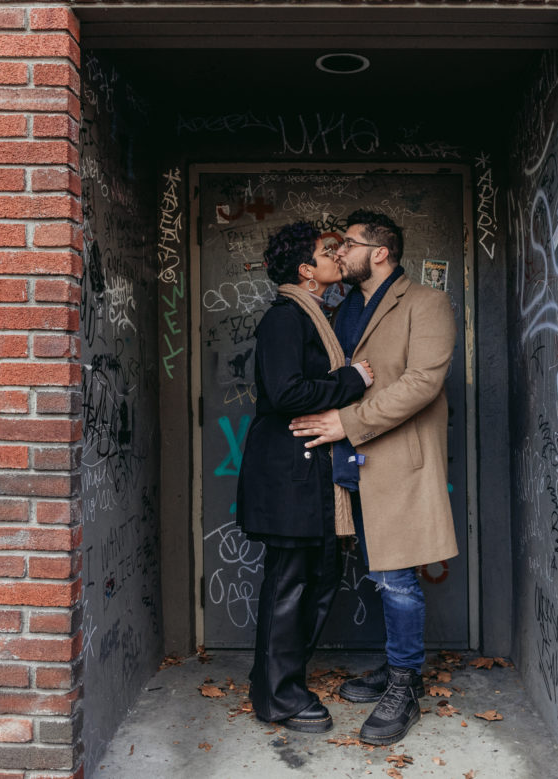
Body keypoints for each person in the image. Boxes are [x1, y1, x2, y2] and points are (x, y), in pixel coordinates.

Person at [289, 209, 458, 745]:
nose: (341, 254)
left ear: (379, 252)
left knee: (398, 579)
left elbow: (422, 382)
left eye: (350, 245)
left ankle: (405, 684)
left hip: (396, 459)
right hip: (352, 463)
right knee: (378, 570)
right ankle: (395, 666)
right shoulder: (343, 310)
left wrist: (347, 421)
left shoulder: (427, 303)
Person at [236, 222, 374, 733]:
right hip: (287, 475)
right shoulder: (284, 319)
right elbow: (287, 393)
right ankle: (279, 698)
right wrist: (351, 379)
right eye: (326, 253)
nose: (337, 257)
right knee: (290, 584)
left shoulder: (316, 316)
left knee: (314, 580)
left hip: (310, 474)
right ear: (305, 270)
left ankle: (276, 681)